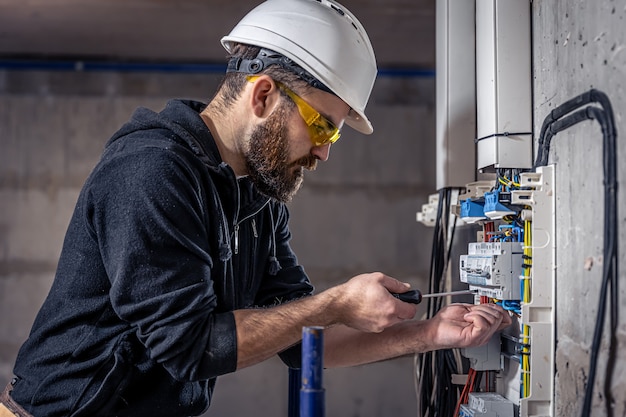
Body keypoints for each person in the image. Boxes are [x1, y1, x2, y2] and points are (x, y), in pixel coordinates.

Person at [1, 0, 511, 416]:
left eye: (333, 133)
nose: (325, 151)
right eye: (322, 126)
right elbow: (191, 347)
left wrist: (429, 334)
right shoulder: (152, 171)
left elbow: (302, 342)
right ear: (263, 94)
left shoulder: (260, 202)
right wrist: (334, 303)